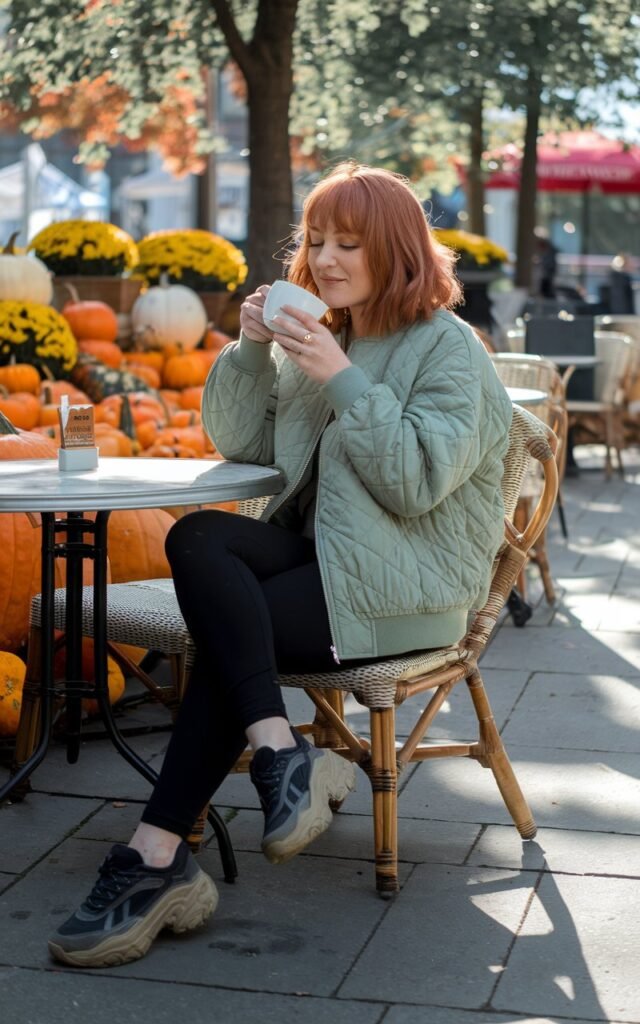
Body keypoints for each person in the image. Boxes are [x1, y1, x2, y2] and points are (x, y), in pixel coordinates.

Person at [49, 163, 514, 968]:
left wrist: (343, 380)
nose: (325, 259)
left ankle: (155, 857)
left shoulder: (449, 351)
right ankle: (278, 750)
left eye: (349, 243)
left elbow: (413, 486)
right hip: (325, 560)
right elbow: (243, 443)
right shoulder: (330, 332)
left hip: (409, 586)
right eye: (317, 240)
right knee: (199, 538)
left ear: (397, 249)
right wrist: (251, 349)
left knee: (235, 639)